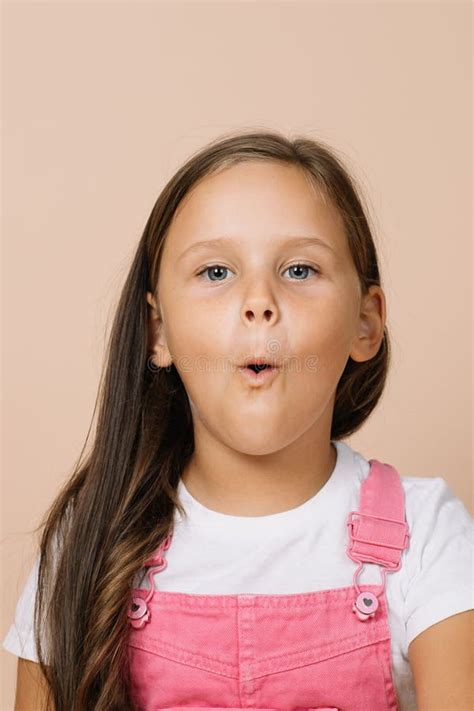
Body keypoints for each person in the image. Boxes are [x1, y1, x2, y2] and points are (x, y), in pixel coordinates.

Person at [3, 130, 473, 711]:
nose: (259, 301)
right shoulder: (90, 539)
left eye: (299, 270)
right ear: (158, 332)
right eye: (216, 273)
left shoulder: (426, 535)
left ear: (366, 323)